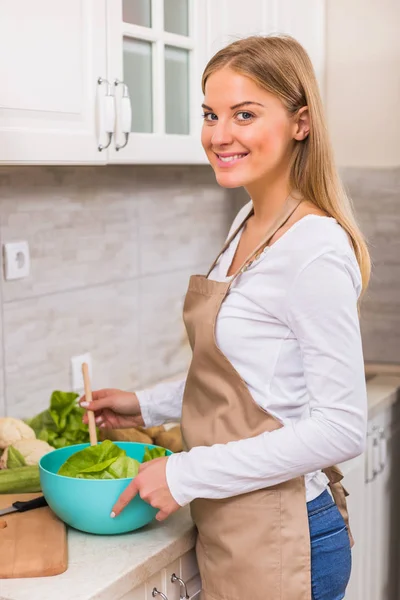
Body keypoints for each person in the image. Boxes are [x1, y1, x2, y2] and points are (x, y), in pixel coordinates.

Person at [80, 34, 370, 600]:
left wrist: (184, 474)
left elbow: (341, 426)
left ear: (300, 123)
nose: (219, 134)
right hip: (236, 527)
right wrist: (144, 403)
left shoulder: (315, 247)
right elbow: (249, 377)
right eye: (211, 114)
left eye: (244, 114)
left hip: (286, 538)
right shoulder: (249, 220)